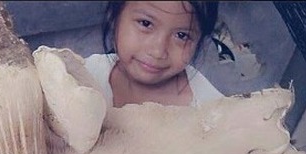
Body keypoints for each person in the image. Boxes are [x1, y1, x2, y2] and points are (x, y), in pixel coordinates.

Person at [84, 1, 223, 108]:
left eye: (181, 35)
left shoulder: (209, 108)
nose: (158, 52)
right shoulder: (84, 75)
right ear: (114, 17)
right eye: (146, 23)